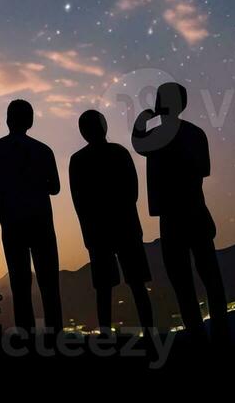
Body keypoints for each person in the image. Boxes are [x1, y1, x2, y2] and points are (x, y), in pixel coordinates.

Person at [133, 82, 228, 343]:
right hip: (196, 210)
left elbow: (138, 144)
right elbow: (204, 171)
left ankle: (197, 334)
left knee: (182, 281)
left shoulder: (157, 136)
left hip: (172, 217)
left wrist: (142, 121)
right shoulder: (196, 134)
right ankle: (221, 332)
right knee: (210, 276)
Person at [69, 110, 155, 339]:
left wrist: (88, 232)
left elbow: (79, 202)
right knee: (137, 285)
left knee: (104, 289)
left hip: (98, 232)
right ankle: (149, 335)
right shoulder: (119, 153)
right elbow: (133, 192)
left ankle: (106, 338)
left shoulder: (78, 161)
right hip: (126, 226)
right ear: (104, 127)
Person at [0, 99, 62, 331]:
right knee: (49, 283)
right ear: (31, 121)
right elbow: (54, 188)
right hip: (41, 222)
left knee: (20, 283)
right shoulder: (44, 150)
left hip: (12, 222)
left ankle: (25, 337)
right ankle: (55, 335)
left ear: (7, 120)